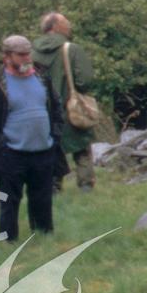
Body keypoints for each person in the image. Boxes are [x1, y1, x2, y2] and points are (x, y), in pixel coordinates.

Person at [0, 35, 63, 244]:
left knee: (42, 198)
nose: (27, 58)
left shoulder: (43, 79)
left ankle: (44, 237)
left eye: (28, 53)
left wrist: (55, 136)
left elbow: (57, 109)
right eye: (21, 55)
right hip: (12, 154)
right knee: (10, 200)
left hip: (44, 150)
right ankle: (8, 241)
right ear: (7, 57)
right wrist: (2, 147)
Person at [32, 12, 95, 192]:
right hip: (70, 108)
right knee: (82, 148)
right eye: (66, 23)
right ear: (56, 27)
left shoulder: (31, 52)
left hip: (42, 110)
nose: (70, 27)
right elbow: (86, 80)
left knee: (49, 149)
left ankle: (54, 187)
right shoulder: (71, 49)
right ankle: (86, 188)